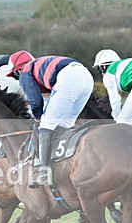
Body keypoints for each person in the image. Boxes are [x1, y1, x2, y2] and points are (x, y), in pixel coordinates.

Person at [8, 51, 94, 187]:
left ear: (17, 70)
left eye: (14, 76)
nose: (17, 80)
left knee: (45, 125)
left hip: (69, 78)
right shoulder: (38, 66)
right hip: (87, 78)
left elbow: (36, 103)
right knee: (66, 124)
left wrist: (37, 119)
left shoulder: (25, 72)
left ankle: (43, 173)